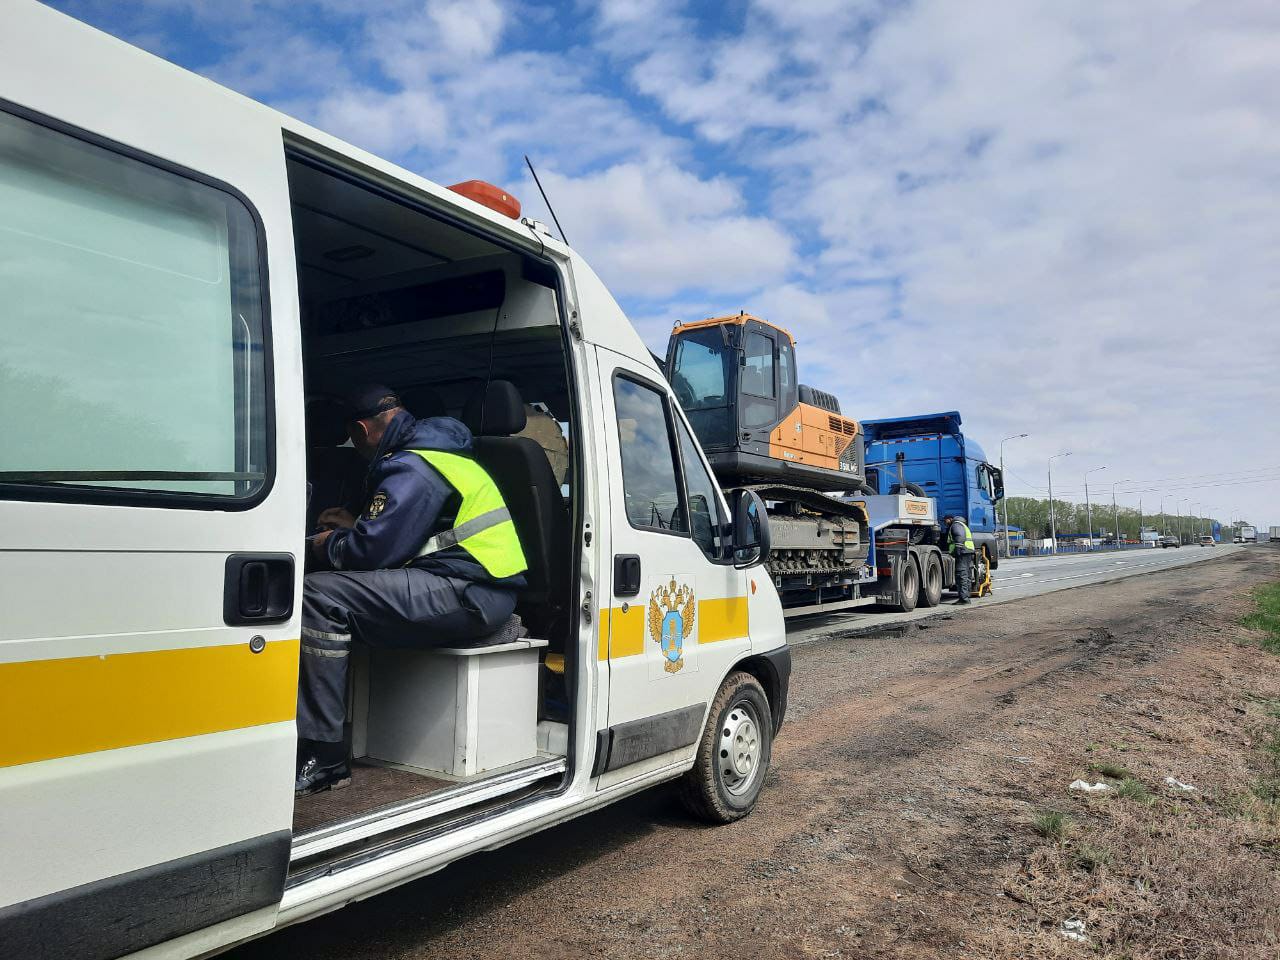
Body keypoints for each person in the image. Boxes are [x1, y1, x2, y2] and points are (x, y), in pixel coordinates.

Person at [296, 384, 528, 796]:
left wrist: (323, 543)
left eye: (352, 436)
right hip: (474, 586)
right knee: (343, 597)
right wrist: (355, 525)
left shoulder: (413, 465)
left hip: (467, 591)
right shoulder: (435, 453)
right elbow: (412, 535)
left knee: (318, 595)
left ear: (363, 429)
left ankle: (325, 755)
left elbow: (372, 553)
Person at [943, 513, 975, 605]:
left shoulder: (956, 525)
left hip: (963, 552)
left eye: (946, 520)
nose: (945, 523)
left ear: (949, 519)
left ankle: (964, 598)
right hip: (967, 551)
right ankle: (966, 596)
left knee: (961, 574)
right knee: (967, 575)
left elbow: (960, 536)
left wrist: (958, 549)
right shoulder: (962, 524)